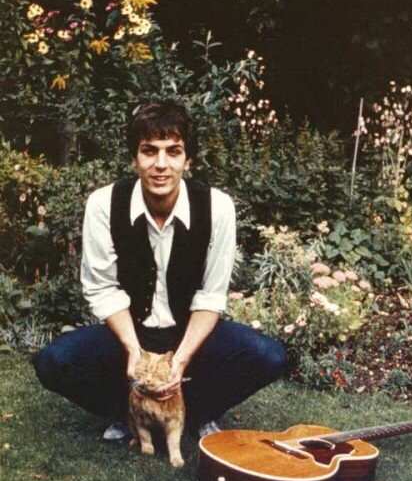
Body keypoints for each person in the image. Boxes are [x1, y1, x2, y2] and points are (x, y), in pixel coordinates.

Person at [34, 100, 287, 440]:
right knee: (54, 361)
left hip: (188, 332)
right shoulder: (103, 204)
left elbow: (211, 296)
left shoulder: (218, 208)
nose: (161, 165)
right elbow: (102, 288)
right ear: (134, 158)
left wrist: (179, 362)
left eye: (173, 151)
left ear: (188, 159)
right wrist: (134, 352)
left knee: (268, 356)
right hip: (131, 330)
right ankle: (126, 413)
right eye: (149, 151)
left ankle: (197, 413)